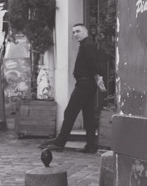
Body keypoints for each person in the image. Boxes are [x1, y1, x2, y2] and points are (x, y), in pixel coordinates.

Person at [43, 23, 106, 153]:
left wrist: (98, 78)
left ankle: (60, 143)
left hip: (85, 84)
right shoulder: (86, 44)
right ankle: (91, 145)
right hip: (86, 83)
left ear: (85, 32)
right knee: (88, 115)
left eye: (78, 31)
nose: (75, 34)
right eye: (73, 32)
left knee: (70, 112)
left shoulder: (87, 45)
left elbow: (94, 64)